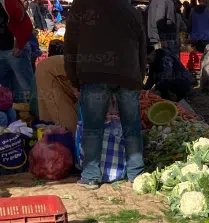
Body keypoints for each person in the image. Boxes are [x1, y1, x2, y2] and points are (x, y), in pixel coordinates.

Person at [65, 0, 146, 188]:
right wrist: (139, 77)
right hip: (128, 74)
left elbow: (70, 43)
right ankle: (137, 174)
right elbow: (142, 48)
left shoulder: (81, 6)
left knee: (93, 128)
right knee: (132, 127)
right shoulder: (131, 10)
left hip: (94, 73)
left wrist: (73, 78)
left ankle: (91, 176)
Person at [0, 0, 35, 103]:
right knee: (4, 85)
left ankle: (32, 112)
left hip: (14, 50)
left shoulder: (10, 2)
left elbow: (25, 24)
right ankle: (14, 110)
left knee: (25, 85)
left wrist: (19, 45)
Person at [35, 54, 79, 133]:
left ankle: (50, 141)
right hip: (53, 72)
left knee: (50, 121)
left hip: (59, 72)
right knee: (68, 127)